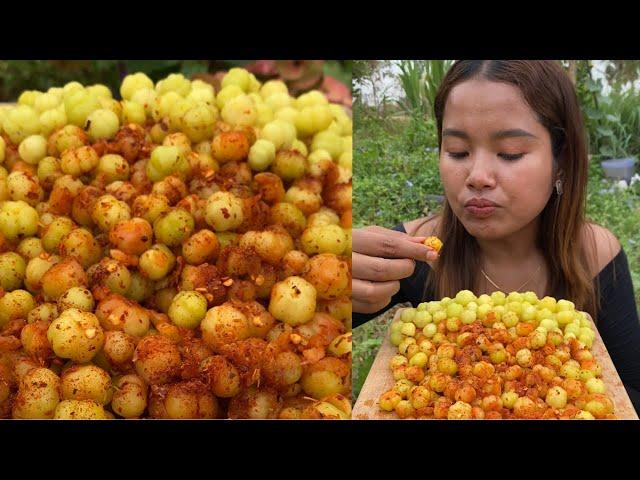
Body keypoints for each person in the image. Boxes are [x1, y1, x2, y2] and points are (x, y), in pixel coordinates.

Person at [352, 60, 640, 413]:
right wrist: (324, 279)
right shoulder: (416, 251)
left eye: (510, 153)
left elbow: (630, 390)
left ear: (561, 161)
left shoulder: (596, 255)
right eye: (458, 151)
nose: (477, 176)